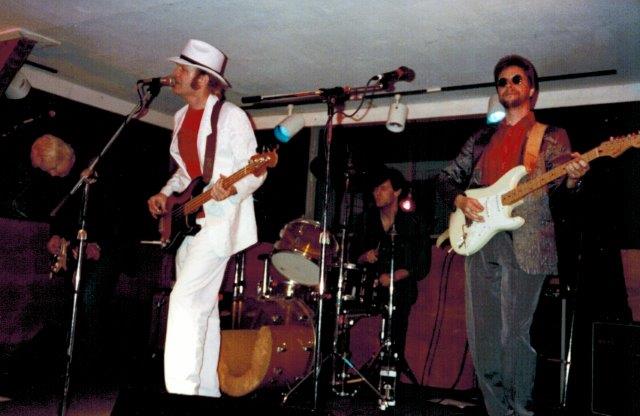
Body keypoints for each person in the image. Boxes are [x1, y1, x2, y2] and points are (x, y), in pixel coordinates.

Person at [437, 55, 589, 416]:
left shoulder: (550, 136)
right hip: (479, 238)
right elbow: (445, 178)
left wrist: (574, 177)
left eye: (516, 79)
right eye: (502, 81)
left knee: (513, 333)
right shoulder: (481, 138)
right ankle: (497, 410)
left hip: (526, 239)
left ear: (531, 89)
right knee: (482, 335)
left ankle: (520, 409)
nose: (508, 85)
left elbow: (563, 189)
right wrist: (461, 200)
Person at [147, 39, 266, 398]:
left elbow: (255, 171)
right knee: (204, 308)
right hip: (186, 225)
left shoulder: (231, 117)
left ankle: (181, 392)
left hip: (218, 225)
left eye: (181, 70)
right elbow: (187, 173)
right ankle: (208, 391)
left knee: (184, 301)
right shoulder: (180, 118)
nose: (174, 74)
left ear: (202, 79)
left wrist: (230, 189)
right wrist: (166, 193)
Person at [352, 166, 430, 385]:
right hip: (367, 286)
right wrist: (364, 257)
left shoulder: (413, 222)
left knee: (399, 305)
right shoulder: (365, 220)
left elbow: (421, 266)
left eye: (383, 188)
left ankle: (390, 369)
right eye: (375, 189)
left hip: (399, 289)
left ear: (397, 192)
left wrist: (393, 277)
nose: (377, 193)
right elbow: (352, 256)